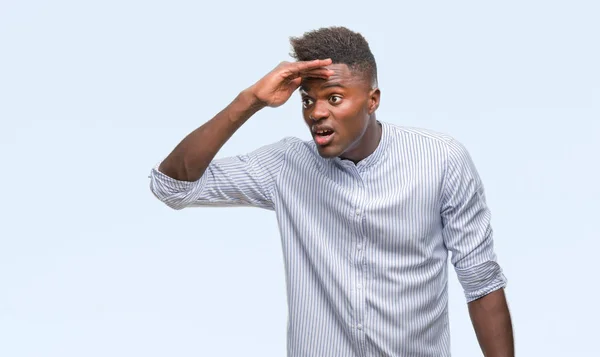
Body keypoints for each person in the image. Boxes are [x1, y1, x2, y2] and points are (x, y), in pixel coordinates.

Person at [149, 26, 514, 357]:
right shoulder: (285, 165)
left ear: (372, 100)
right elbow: (172, 186)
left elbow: (481, 282)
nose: (316, 112)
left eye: (334, 98)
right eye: (307, 100)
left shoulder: (440, 160)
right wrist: (250, 101)